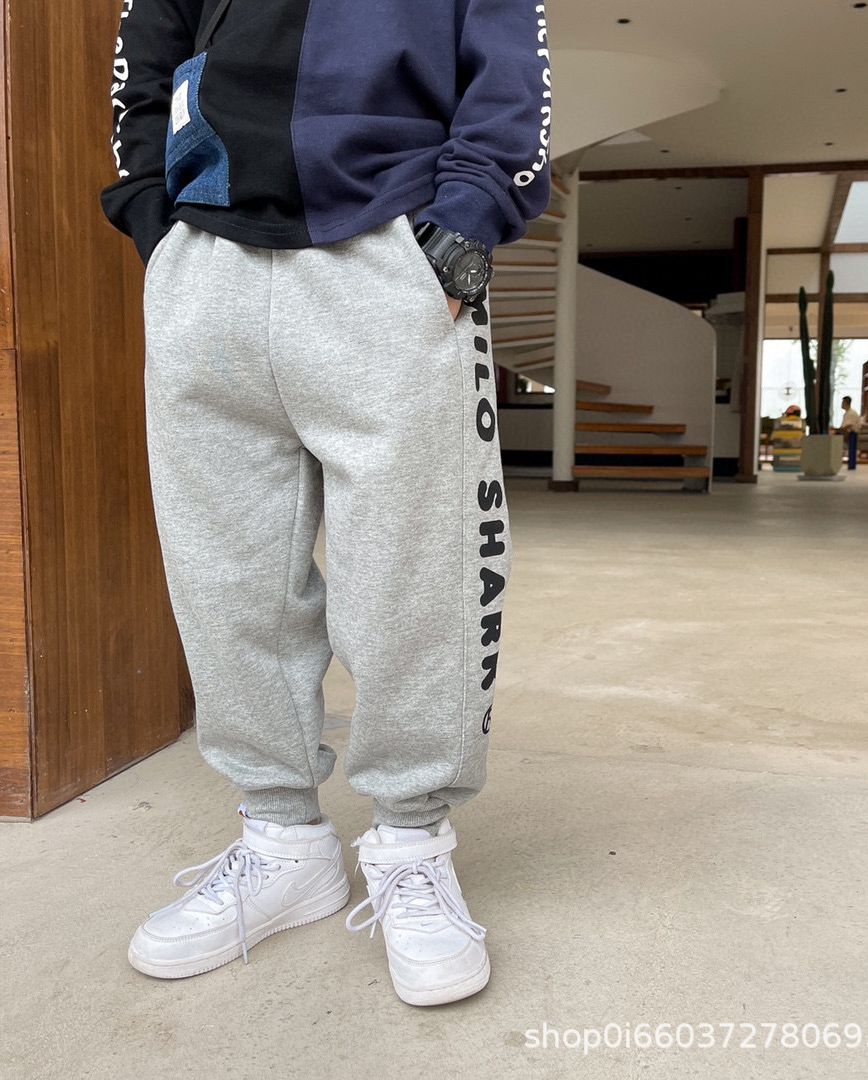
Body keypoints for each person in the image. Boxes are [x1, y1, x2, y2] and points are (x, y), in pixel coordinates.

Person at [101, 0, 552, 1005]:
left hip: (386, 252)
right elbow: (146, 53)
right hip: (207, 258)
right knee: (226, 578)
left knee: (413, 574)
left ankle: (412, 844)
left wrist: (465, 226)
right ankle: (282, 841)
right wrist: (152, 217)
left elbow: (510, 70)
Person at [836, 395, 862, 470]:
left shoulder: (851, 413)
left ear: (846, 403)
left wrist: (837, 430)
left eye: (842, 402)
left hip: (851, 433)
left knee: (833, 434)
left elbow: (849, 425)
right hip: (847, 432)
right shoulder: (846, 413)